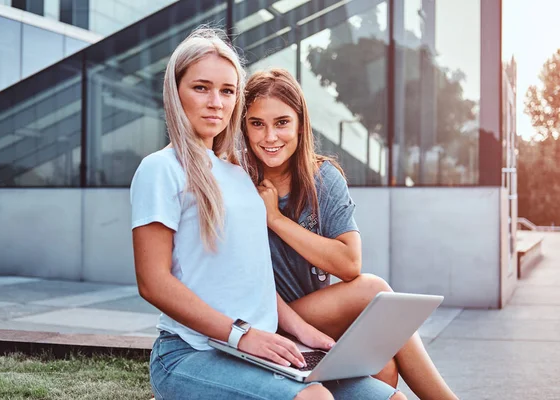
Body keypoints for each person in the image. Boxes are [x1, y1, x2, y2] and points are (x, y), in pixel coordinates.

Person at [131, 28, 406, 400]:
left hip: (261, 347)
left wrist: (302, 330)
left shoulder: (239, 175)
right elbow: (153, 283)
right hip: (190, 353)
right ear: (175, 91)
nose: (216, 102)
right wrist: (241, 335)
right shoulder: (160, 168)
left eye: (228, 91)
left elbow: (253, 280)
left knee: (390, 398)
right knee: (315, 399)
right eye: (201, 88)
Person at [239, 68, 458, 400]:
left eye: (281, 122)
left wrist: (275, 219)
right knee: (373, 290)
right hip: (263, 319)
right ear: (243, 126)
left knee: (383, 366)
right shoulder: (236, 181)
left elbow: (348, 263)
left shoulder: (323, 178)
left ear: (300, 124)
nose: (269, 137)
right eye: (257, 123)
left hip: (317, 319)